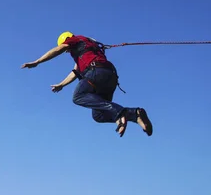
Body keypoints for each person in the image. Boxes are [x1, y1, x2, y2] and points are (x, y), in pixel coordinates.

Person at [21, 31, 153, 137]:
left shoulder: (74, 40)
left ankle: (120, 112)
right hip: (110, 77)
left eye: (67, 50)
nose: (67, 52)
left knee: (78, 96)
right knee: (98, 115)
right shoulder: (87, 48)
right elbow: (75, 71)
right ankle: (135, 114)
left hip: (97, 72)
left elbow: (59, 49)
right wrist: (62, 84)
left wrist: (37, 61)